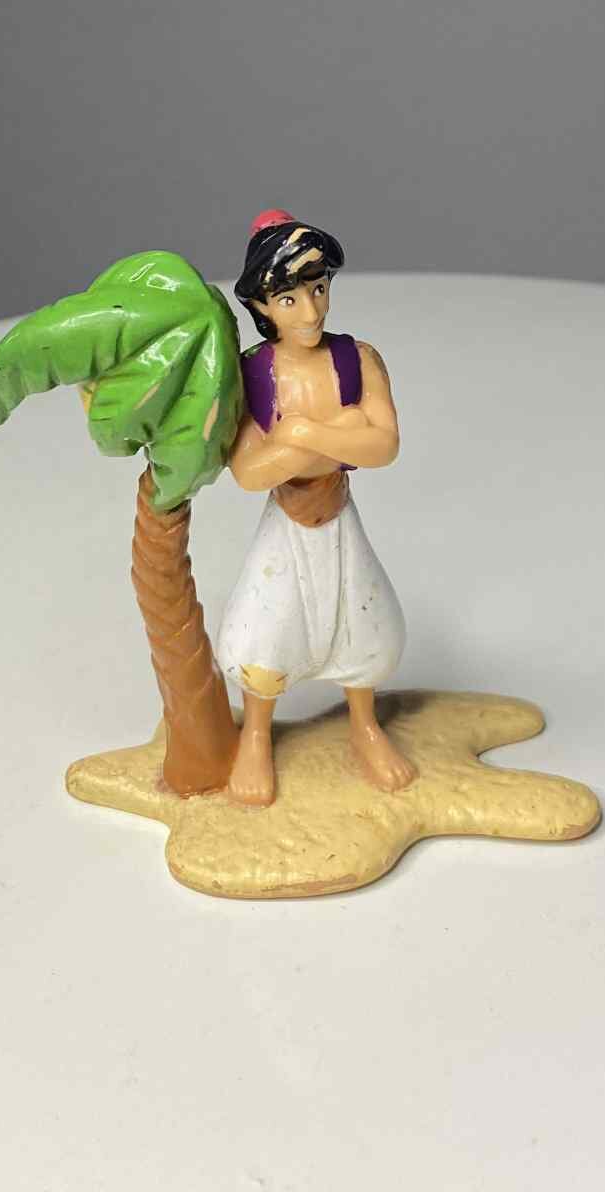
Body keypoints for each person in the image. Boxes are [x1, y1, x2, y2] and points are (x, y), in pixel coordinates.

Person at [217, 211, 416, 807]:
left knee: (364, 623)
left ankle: (364, 724)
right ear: (261, 306)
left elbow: (384, 446)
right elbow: (250, 473)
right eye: (288, 298)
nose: (310, 311)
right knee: (267, 626)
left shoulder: (358, 359)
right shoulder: (254, 373)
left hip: (339, 518)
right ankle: (256, 733)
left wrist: (299, 434)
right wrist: (333, 432)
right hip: (286, 523)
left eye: (319, 289)